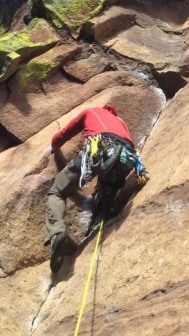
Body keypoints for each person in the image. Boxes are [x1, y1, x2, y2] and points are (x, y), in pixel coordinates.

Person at [43, 103, 148, 272]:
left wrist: (53, 146)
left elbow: (65, 133)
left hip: (100, 149)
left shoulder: (91, 111)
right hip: (125, 158)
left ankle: (57, 233)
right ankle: (106, 202)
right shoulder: (121, 123)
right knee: (107, 181)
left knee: (56, 192)